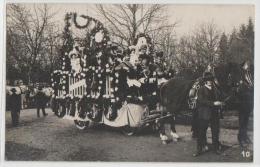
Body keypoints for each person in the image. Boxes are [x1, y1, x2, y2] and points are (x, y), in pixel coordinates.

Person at [193, 72, 224, 156]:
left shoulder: (215, 89)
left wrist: (220, 103)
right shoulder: (201, 89)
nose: (209, 81)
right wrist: (214, 103)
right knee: (201, 132)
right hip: (204, 114)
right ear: (205, 81)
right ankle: (199, 150)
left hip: (214, 114)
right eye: (207, 80)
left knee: (215, 132)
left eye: (211, 79)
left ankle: (216, 149)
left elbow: (219, 97)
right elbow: (202, 101)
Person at [237, 60, 254, 146]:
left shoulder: (249, 74)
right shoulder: (240, 75)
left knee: (246, 120)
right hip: (242, 101)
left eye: (248, 64)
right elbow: (239, 89)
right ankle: (241, 139)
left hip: (248, 101)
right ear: (243, 66)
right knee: (242, 121)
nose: (248, 65)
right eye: (246, 64)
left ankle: (245, 136)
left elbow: (251, 85)